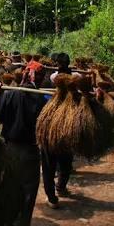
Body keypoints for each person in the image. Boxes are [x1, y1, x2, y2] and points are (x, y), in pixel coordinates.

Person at [0, 61, 48, 226]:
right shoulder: (42, 99)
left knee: (6, 189)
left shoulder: (8, 95)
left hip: (8, 150)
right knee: (27, 195)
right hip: (30, 152)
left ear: (24, 74)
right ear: (37, 77)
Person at [42, 52, 75, 208]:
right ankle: (61, 187)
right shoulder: (76, 76)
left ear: (56, 64)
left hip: (53, 118)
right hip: (68, 118)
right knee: (66, 161)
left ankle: (51, 197)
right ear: (69, 63)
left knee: (49, 164)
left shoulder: (53, 76)